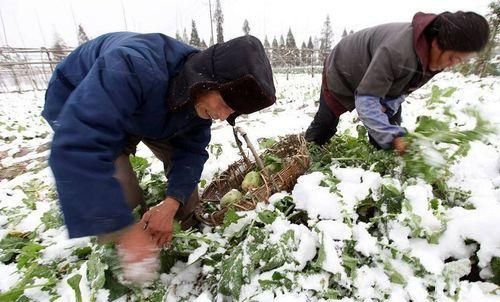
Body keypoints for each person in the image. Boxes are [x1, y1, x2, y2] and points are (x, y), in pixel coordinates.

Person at [42, 32, 276, 282]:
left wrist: (171, 203)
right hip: (83, 99)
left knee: (185, 200)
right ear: (209, 80)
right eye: (225, 105)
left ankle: (171, 236)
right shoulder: (132, 66)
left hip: (155, 109)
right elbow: (79, 144)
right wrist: (123, 230)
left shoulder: (198, 97)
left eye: (232, 113)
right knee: (124, 198)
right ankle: (125, 254)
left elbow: (191, 152)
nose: (221, 117)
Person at [305, 11, 490, 154]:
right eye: (452, 58)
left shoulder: (436, 58)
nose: (451, 65)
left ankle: (381, 166)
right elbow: (366, 101)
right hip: (345, 67)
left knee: (390, 128)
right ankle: (306, 152)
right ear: (437, 43)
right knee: (326, 121)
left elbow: (404, 87)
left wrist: (389, 110)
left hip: (379, 74)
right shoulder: (397, 51)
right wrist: (392, 135)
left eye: (459, 61)